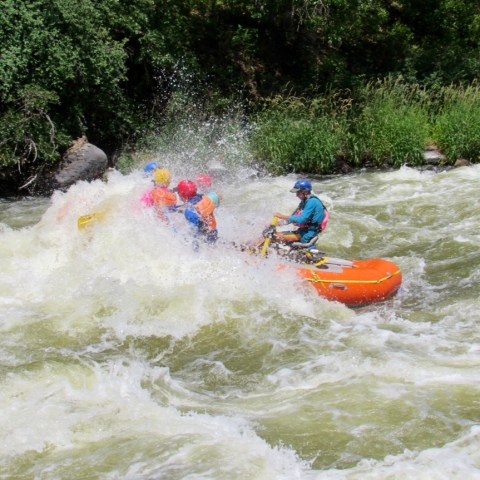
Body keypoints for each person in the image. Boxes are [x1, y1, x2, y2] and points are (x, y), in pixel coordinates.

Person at [272, 179, 328, 248]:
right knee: (274, 235)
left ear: (305, 192)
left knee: (274, 236)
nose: (296, 195)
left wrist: (282, 216)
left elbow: (301, 220)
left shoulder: (312, 202)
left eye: (298, 193)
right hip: (303, 231)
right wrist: (279, 223)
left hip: (307, 235)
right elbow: (293, 217)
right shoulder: (304, 202)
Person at [176, 180, 220, 245]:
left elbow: (197, 228)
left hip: (203, 239)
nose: (178, 194)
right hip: (214, 233)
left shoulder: (188, 211)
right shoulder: (203, 198)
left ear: (182, 194)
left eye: (178, 192)